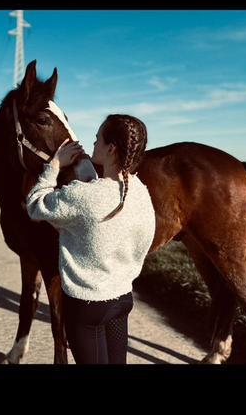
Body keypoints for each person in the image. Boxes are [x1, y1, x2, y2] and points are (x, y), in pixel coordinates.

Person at [26, 114, 156, 365]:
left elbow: (35, 205)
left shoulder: (82, 197)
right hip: (122, 298)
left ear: (111, 148)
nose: (92, 144)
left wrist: (53, 167)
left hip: (88, 307)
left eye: (97, 139)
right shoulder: (140, 191)